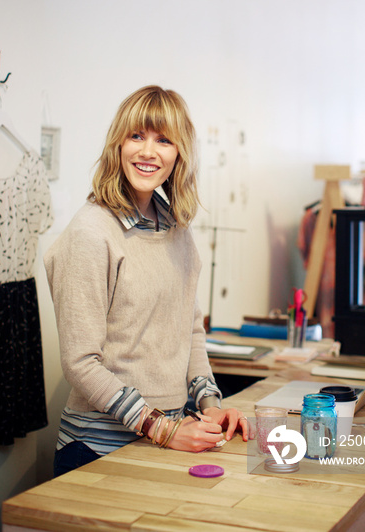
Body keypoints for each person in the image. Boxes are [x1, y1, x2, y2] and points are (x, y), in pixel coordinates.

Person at [45, 85, 251, 476]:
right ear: (117, 145)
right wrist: (163, 428)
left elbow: (189, 333)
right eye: (136, 136)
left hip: (164, 440)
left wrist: (212, 407)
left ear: (180, 154)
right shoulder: (91, 233)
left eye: (163, 140)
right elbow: (80, 363)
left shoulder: (176, 230)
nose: (147, 152)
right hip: (98, 448)